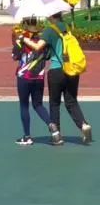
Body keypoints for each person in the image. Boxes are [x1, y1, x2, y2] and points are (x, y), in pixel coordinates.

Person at [36, 11, 91, 145]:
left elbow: (38, 47)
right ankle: (83, 125)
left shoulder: (49, 30)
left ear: (51, 15)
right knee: (71, 101)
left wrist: (24, 39)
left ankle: (57, 136)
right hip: (71, 69)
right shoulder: (67, 27)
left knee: (54, 103)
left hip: (56, 70)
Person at [12, 17, 51, 145]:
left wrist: (16, 41)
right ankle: (52, 126)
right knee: (38, 105)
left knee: (24, 106)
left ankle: (27, 136)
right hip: (39, 77)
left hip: (24, 77)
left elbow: (15, 56)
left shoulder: (21, 41)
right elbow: (48, 56)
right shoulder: (43, 41)